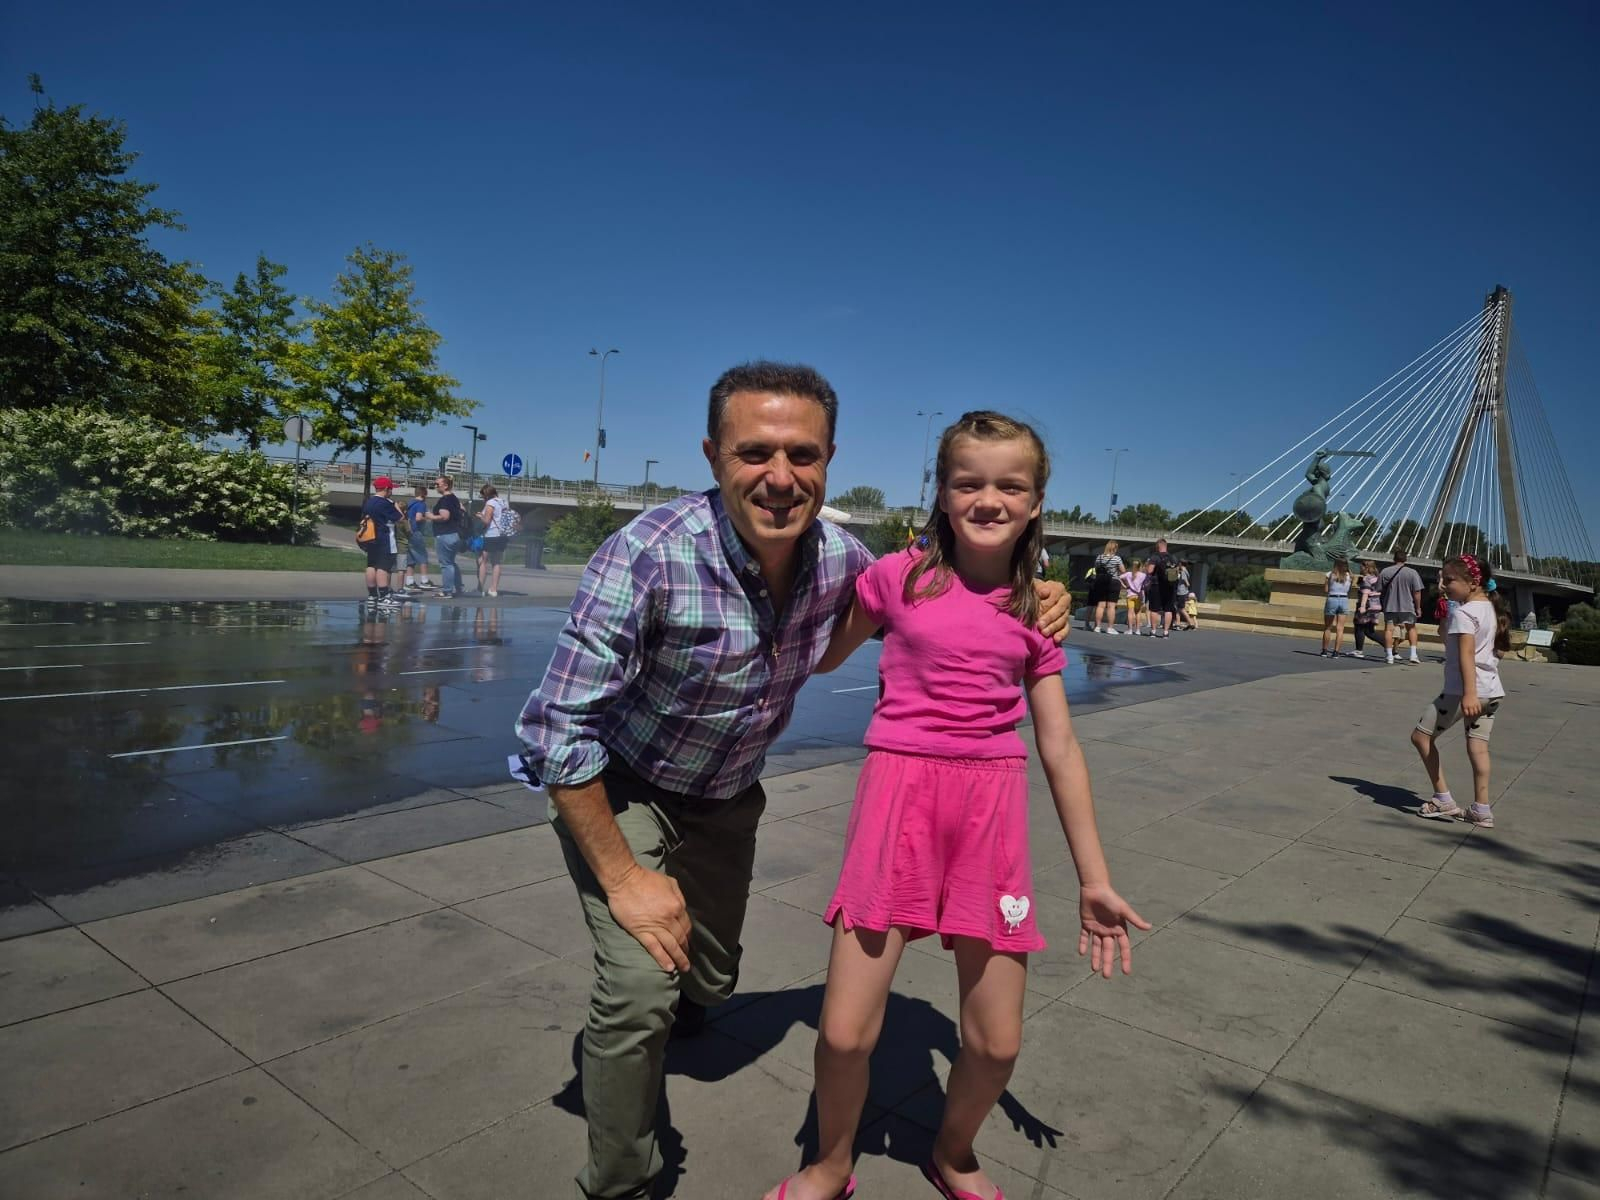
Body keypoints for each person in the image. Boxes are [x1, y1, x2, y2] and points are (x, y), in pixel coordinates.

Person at [514, 364, 1071, 1200]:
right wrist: (626, 880)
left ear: (830, 458)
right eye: (754, 452)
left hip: (729, 798)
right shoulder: (648, 555)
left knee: (709, 978)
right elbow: (555, 732)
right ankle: (622, 1180)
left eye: (802, 454)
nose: (780, 476)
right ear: (712, 455)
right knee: (637, 991)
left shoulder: (846, 561)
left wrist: (1038, 591)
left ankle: (692, 1000)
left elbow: (942, 594)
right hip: (623, 784)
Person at [761, 411, 1147, 1200]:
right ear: (941, 493)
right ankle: (830, 1165)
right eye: (968, 481)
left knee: (995, 1044)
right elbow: (819, 650)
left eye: (1011, 484)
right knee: (841, 1034)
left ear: (1037, 502)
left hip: (989, 814)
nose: (988, 498)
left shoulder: (1036, 607)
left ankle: (954, 1150)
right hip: (897, 800)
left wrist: (1094, 878)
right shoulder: (896, 576)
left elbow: (1060, 747)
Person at [1412, 554, 1510, 829]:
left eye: (1450, 579)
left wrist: (1468, 693)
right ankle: (1481, 808)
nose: (1443, 584)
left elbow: (1465, 654)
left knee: (1420, 737)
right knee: (1478, 748)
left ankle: (1443, 798)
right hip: (1492, 690)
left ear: (1473, 581)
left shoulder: (1465, 613)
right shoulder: (1489, 608)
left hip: (1464, 691)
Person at [359, 476, 404, 608]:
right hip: (384, 538)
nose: (391, 491)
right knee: (383, 567)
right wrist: (395, 505)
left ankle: (372, 595)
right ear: (386, 489)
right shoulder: (385, 503)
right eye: (390, 489)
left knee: (371, 565)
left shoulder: (369, 502)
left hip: (370, 538)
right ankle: (384, 596)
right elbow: (400, 518)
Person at [423, 474, 466, 598]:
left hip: (445, 534)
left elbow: (444, 516)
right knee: (451, 562)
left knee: (446, 564)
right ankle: (459, 588)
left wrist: (431, 516)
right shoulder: (454, 499)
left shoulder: (445, 500)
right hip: (455, 534)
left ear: (446, 485)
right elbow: (462, 511)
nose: (435, 486)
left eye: (437, 484)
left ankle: (447, 591)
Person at [1380, 550, 1426, 665]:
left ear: (1393, 559)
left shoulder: (1385, 571)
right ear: (1405, 559)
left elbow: (1379, 589)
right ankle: (1413, 654)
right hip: (1408, 606)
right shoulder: (1412, 573)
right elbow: (1417, 592)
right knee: (1411, 628)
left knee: (1389, 630)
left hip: (1390, 605)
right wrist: (1418, 607)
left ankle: (1389, 656)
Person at [476, 483, 509, 597]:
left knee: (483, 562)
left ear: (486, 495)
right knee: (497, 563)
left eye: (483, 496)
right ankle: (494, 589)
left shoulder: (490, 503)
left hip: (491, 534)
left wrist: (480, 516)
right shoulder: (504, 502)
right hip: (502, 535)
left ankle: (480, 588)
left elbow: (487, 521)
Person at [1146, 537, 1181, 638]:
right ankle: (1166, 632)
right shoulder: (1173, 557)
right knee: (1168, 610)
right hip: (1170, 586)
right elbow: (1178, 571)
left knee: (1154, 609)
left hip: (1157, 585)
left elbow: (1150, 571)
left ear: (1158, 546)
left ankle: (1153, 631)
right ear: (1166, 546)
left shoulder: (1155, 557)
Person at [1089, 539, 1125, 634]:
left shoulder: (1099, 557)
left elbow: (1096, 569)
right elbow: (1123, 570)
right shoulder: (1117, 558)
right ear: (1115, 548)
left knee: (1100, 606)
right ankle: (1110, 628)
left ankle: (1097, 627)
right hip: (1113, 582)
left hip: (1101, 582)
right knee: (1111, 606)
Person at [404, 483, 434, 590]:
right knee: (423, 556)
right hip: (416, 532)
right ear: (424, 494)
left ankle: (409, 582)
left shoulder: (410, 503)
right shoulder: (421, 504)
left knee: (411, 559)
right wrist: (428, 519)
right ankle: (424, 581)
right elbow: (418, 518)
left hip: (408, 532)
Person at [1321, 557, 1352, 658]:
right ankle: (1336, 652)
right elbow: (1349, 589)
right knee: (1340, 628)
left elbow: (1325, 590)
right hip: (1344, 599)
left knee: (1328, 627)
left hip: (1332, 599)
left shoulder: (1329, 574)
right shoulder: (1350, 576)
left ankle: (1324, 651)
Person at [1351, 559, 1381, 658]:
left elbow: (1365, 593)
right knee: (1369, 631)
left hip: (1367, 606)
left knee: (1359, 627)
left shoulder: (1367, 579)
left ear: (1366, 568)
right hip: (1375, 606)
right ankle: (1389, 647)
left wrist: (1362, 606)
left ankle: (1358, 650)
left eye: (1362, 567)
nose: (1360, 569)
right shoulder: (1377, 578)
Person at [1119, 559, 1151, 635]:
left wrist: (1124, 585)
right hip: (1138, 596)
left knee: (1130, 613)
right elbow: (1147, 584)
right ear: (1140, 566)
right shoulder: (1143, 575)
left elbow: (1118, 577)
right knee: (1138, 613)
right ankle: (1138, 630)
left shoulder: (1128, 574)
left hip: (1130, 595)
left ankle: (1130, 630)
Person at [1174, 560, 1195, 630]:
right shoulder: (1185, 571)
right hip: (1180, 592)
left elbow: (1186, 582)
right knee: (1177, 608)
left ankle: (1191, 623)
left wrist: (1186, 585)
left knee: (1181, 608)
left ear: (1180, 564)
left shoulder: (1183, 571)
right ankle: (1177, 623)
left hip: (1181, 592)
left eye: (1178, 564)